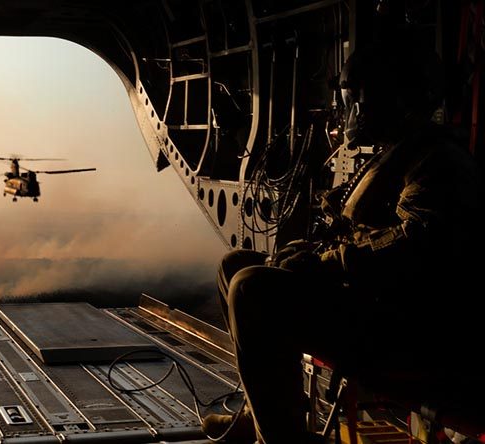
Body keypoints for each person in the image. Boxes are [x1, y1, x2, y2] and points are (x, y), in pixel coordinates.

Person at [202, 42, 484, 444]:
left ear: (401, 99)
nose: (356, 112)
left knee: (251, 288)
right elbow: (371, 236)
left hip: (408, 327)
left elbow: (417, 247)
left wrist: (326, 263)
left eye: (364, 101)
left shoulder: (439, 162)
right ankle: (264, 410)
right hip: (377, 303)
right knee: (234, 264)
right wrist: (310, 254)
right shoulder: (401, 154)